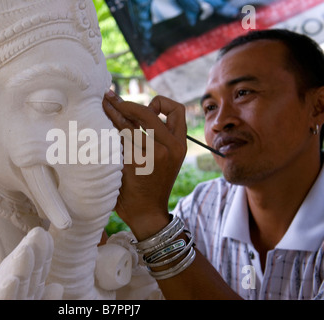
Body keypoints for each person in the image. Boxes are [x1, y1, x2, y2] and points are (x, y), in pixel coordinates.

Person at [102, 29, 324, 300]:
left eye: (243, 93)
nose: (219, 122)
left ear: (318, 106)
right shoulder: (200, 208)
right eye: (209, 107)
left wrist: (150, 219)